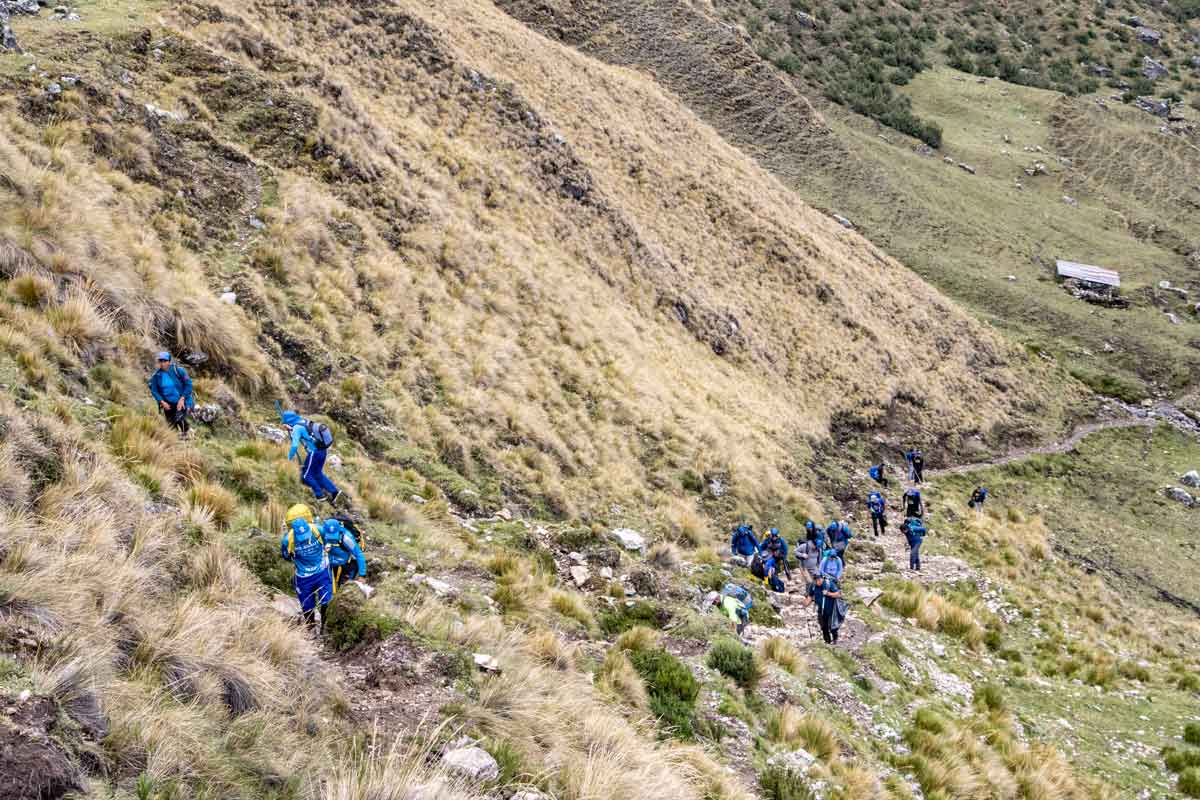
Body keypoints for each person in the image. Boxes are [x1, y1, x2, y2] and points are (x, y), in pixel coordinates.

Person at [280, 516, 333, 633]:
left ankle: (324, 629)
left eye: (306, 535)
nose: (304, 539)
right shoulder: (288, 540)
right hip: (303, 577)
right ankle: (311, 629)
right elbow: (285, 556)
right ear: (294, 532)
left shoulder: (318, 530)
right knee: (307, 605)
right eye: (301, 537)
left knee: (326, 601)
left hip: (322, 571)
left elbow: (328, 541)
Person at [280, 408, 342, 505]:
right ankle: (334, 492)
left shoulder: (296, 428)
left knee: (306, 475)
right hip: (323, 450)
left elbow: (295, 446)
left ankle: (319, 495)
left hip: (314, 452)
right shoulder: (303, 421)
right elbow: (305, 434)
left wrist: (289, 457)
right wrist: (291, 430)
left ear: (288, 421)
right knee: (317, 473)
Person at [147, 352, 194, 439]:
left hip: (182, 401)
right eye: (160, 361)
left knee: (179, 418)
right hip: (168, 404)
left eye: (165, 361)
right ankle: (176, 440)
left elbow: (189, 385)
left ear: (169, 361)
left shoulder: (178, 371)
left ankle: (189, 435)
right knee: (171, 426)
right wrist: (162, 402)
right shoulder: (156, 376)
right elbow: (154, 391)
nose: (162, 363)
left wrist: (182, 399)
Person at [321, 518, 366, 592]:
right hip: (331, 562)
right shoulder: (321, 533)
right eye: (329, 536)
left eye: (333, 536)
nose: (331, 539)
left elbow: (359, 554)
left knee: (343, 588)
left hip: (347, 564)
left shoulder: (346, 538)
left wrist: (362, 575)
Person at [803, 572, 844, 644]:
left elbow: (838, 594)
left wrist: (828, 593)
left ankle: (835, 639)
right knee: (823, 627)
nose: (818, 581)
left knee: (832, 626)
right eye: (816, 580)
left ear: (822, 578)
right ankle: (827, 642)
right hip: (821, 610)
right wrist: (805, 604)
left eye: (819, 579)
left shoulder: (829, 584)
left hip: (831, 609)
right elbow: (810, 596)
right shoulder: (813, 586)